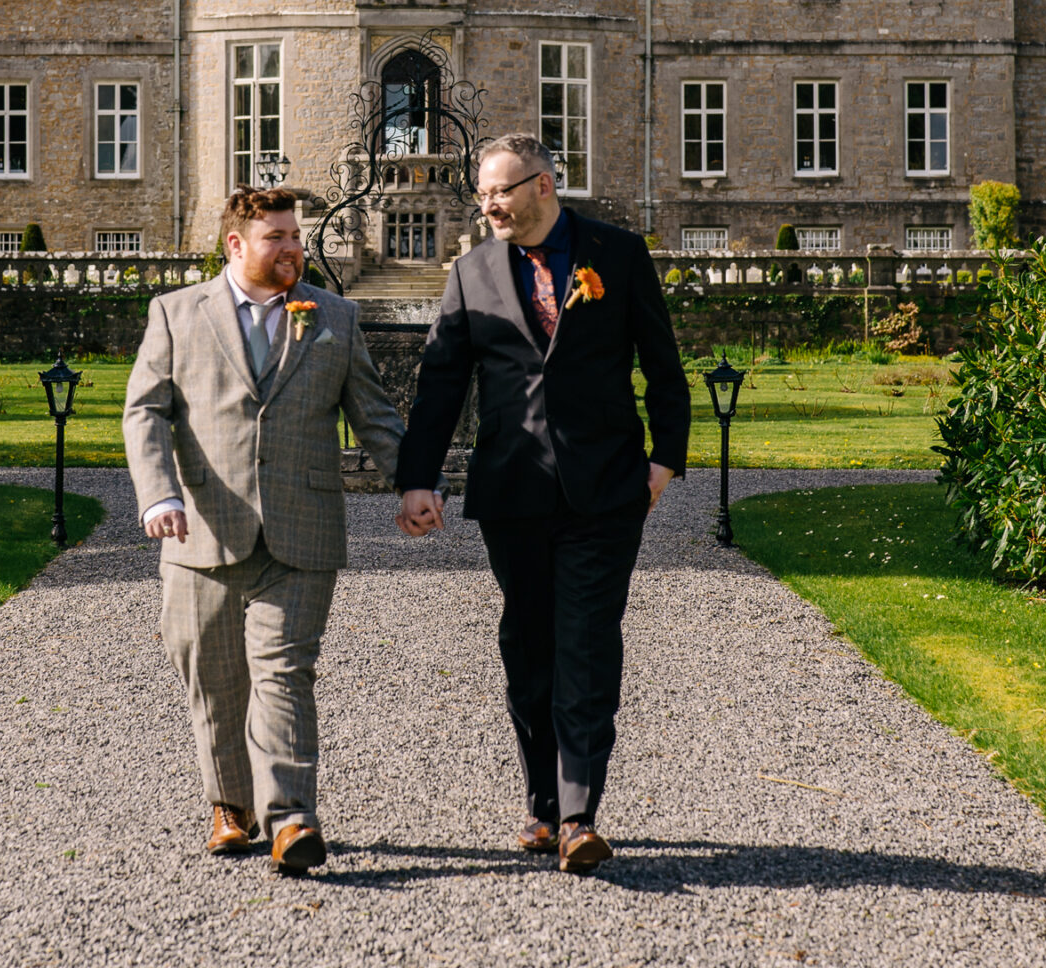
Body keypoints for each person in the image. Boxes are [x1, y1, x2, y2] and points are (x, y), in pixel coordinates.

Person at [394, 134, 692, 872]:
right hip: (512, 491)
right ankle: (539, 804)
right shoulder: (469, 273)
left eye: (501, 191)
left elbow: (662, 366)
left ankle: (579, 812)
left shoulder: (615, 255)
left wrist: (664, 462)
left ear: (544, 185)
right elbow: (440, 384)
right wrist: (416, 478)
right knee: (528, 648)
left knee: (587, 642)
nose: (490, 206)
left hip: (608, 490)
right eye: (482, 196)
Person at [124, 188, 404, 873]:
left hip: (300, 527)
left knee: (284, 673)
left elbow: (373, 413)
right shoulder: (175, 314)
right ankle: (230, 806)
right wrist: (159, 493)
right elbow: (144, 414)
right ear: (235, 245)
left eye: (294, 236)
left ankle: (290, 818)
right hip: (199, 531)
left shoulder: (333, 314)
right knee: (216, 680)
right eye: (275, 236)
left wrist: (415, 481)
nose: (290, 249)